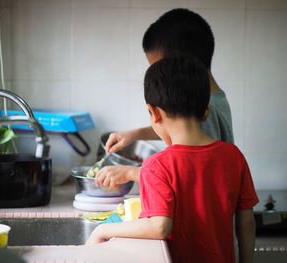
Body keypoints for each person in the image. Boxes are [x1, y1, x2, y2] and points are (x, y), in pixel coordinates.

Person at [87, 56, 258, 263]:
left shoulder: (157, 165)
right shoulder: (234, 156)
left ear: (153, 113)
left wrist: (102, 229)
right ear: (206, 111)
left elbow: (159, 226)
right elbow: (246, 219)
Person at [95, 8, 234, 190]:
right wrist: (135, 134)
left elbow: (197, 172)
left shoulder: (210, 106)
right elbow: (181, 126)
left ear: (181, 66)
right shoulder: (208, 103)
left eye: (160, 70)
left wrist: (132, 172)